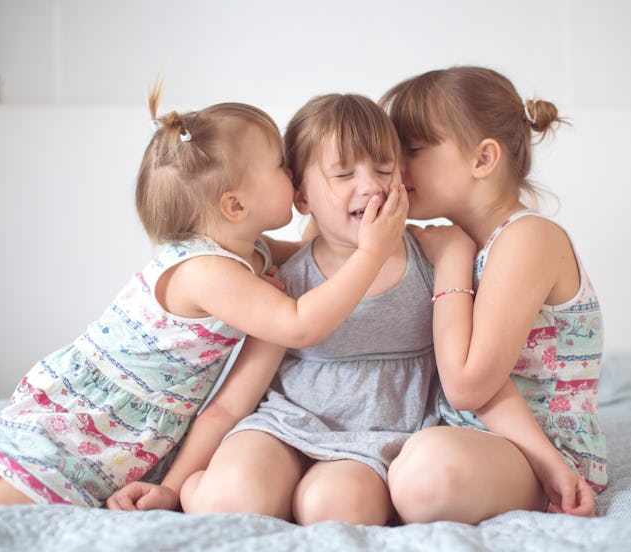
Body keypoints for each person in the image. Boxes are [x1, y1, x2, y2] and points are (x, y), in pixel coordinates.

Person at [0, 84, 408, 509]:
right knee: (12, 491)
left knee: (65, 490)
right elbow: (300, 322)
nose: (291, 173)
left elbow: (316, 252)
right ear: (235, 205)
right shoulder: (207, 272)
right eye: (280, 165)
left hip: (136, 422)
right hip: (95, 412)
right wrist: (372, 252)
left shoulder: (251, 252)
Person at [110, 93, 440, 526]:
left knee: (335, 508)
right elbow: (233, 403)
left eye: (384, 169)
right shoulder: (282, 277)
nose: (372, 186)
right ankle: (215, 491)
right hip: (283, 424)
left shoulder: (431, 255)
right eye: (343, 173)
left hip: (374, 435)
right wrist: (172, 486)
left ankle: (297, 497)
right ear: (302, 197)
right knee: (231, 497)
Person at [379, 66, 606, 522]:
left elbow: (467, 386)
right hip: (463, 433)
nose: (395, 167)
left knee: (426, 474)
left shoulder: (528, 239)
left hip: (544, 451)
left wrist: (450, 263)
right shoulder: (449, 240)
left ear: (483, 159)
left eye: (414, 150)